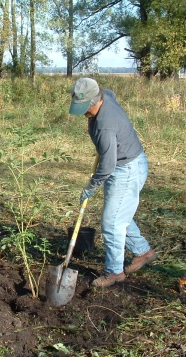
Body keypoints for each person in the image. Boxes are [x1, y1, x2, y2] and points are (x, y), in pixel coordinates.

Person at [69, 77, 157, 287]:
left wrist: (91, 186)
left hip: (125, 169)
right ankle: (143, 252)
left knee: (112, 222)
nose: (83, 113)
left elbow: (107, 166)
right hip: (128, 164)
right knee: (119, 215)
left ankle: (114, 271)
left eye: (85, 108)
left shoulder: (105, 126)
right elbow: (112, 94)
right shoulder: (106, 95)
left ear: (95, 101)